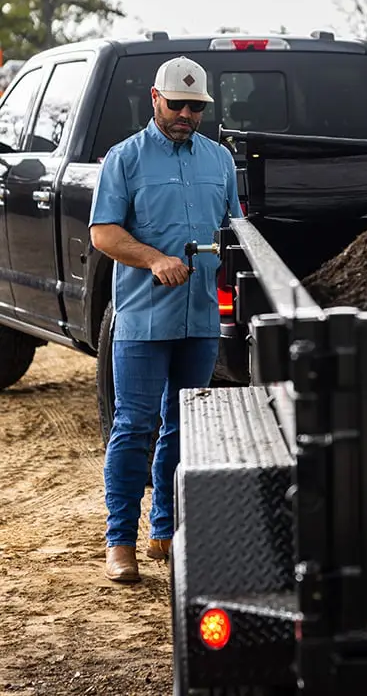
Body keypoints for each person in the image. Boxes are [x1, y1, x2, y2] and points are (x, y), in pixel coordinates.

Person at [89, 56, 243, 583]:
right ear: (154, 98)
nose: (185, 114)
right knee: (134, 427)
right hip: (142, 320)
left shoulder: (220, 161)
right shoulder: (124, 159)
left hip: (199, 317)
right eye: (176, 104)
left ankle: (168, 532)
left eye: (195, 107)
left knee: (184, 430)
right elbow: (103, 234)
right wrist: (155, 259)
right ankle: (119, 542)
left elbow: (236, 229)